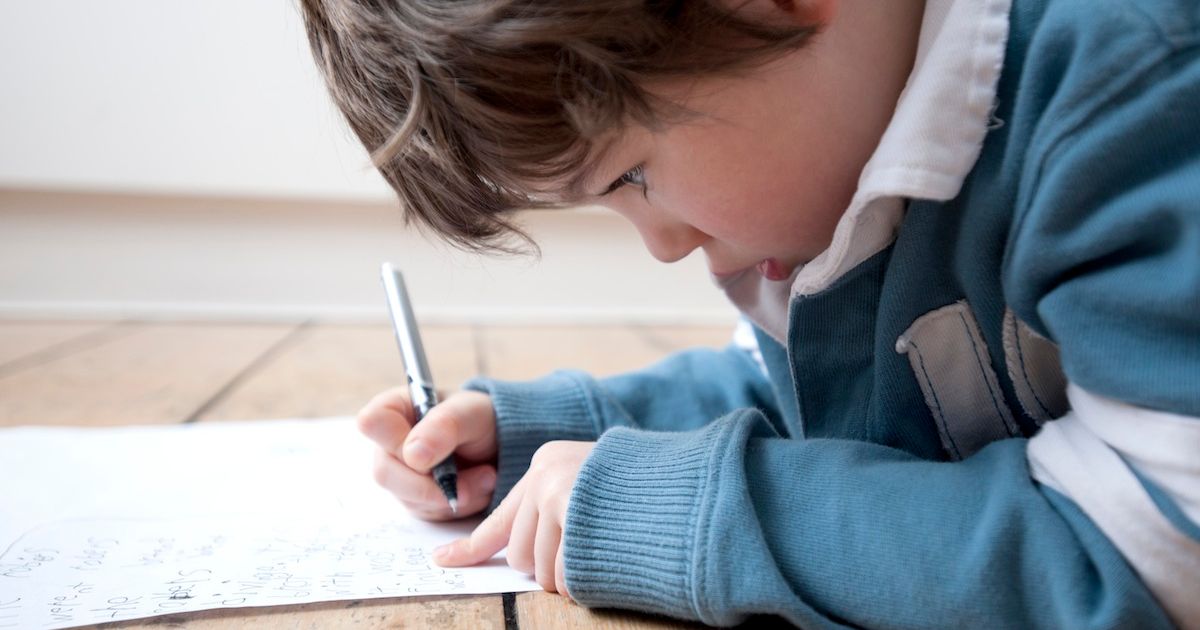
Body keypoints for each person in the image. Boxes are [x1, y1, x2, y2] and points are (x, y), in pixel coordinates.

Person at [300, 0, 1200, 627]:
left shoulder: (1134, 86)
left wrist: (701, 518)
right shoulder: (836, 149)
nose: (661, 244)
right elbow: (811, 392)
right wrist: (552, 437)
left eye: (631, 178)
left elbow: (1152, 559)